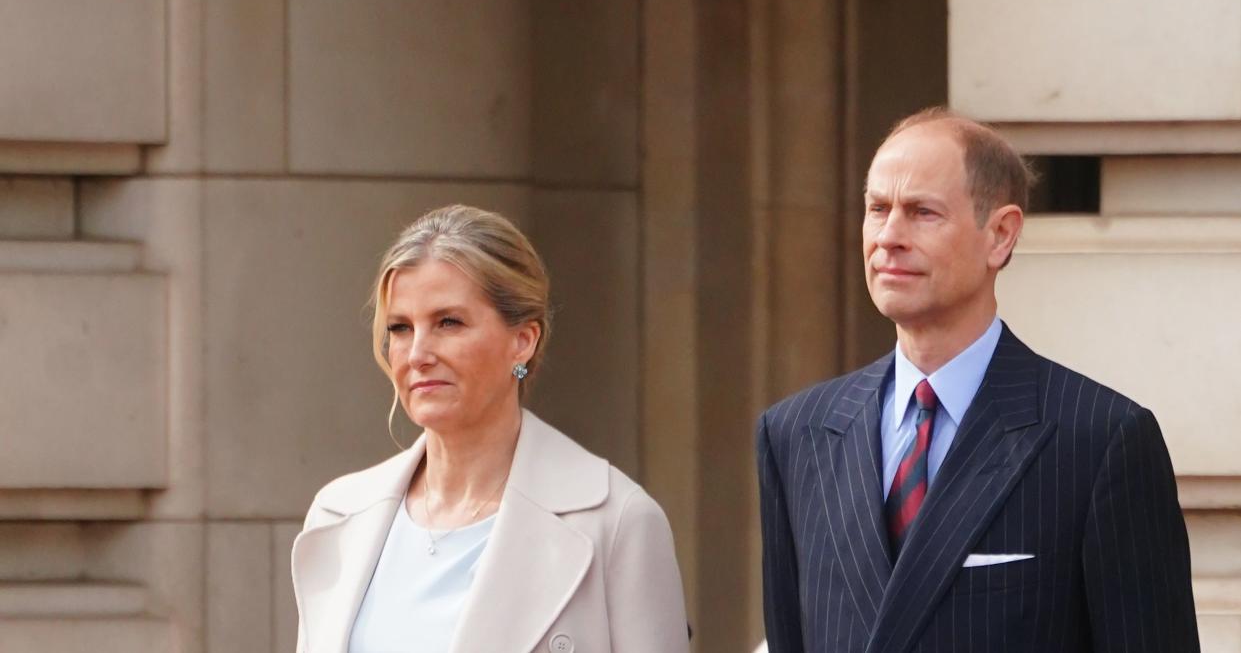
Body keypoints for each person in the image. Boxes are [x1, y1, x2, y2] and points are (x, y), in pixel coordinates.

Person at [756, 108, 1199, 652]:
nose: (888, 236)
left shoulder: (1100, 439)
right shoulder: (796, 434)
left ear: (1000, 235)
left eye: (922, 212)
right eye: (877, 209)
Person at [291, 204, 689, 652]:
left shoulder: (616, 522)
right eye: (400, 328)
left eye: (448, 322)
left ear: (523, 341)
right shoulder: (339, 514)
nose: (418, 352)